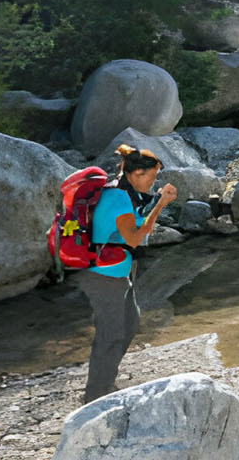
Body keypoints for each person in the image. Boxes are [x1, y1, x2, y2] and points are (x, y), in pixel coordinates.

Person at [81, 144, 177, 403]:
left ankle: (105, 382)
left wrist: (155, 202)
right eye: (152, 176)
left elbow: (135, 225)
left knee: (129, 324)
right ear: (136, 173)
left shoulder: (126, 193)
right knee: (110, 333)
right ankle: (95, 394)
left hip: (120, 271)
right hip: (104, 275)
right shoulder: (117, 198)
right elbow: (134, 238)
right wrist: (161, 204)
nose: (154, 181)